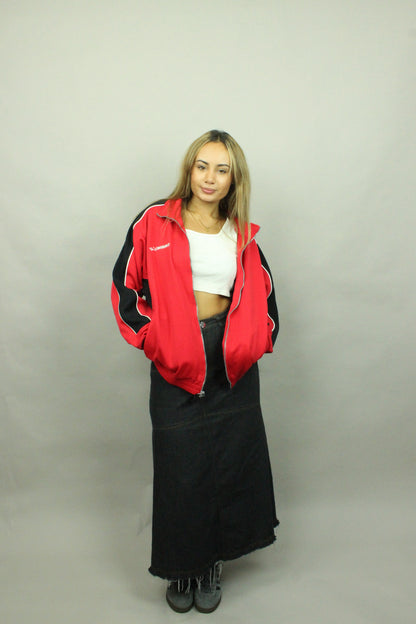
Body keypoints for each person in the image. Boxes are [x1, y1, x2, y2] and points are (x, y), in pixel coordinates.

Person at [111, 130, 279, 614]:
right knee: (180, 469)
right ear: (189, 169)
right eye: (202, 166)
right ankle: (181, 567)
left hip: (230, 363)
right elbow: (124, 287)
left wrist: (254, 340)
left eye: (222, 170)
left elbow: (265, 297)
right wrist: (154, 338)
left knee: (229, 464)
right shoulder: (154, 220)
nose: (210, 178)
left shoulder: (240, 232)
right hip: (176, 358)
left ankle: (211, 566)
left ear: (233, 180)